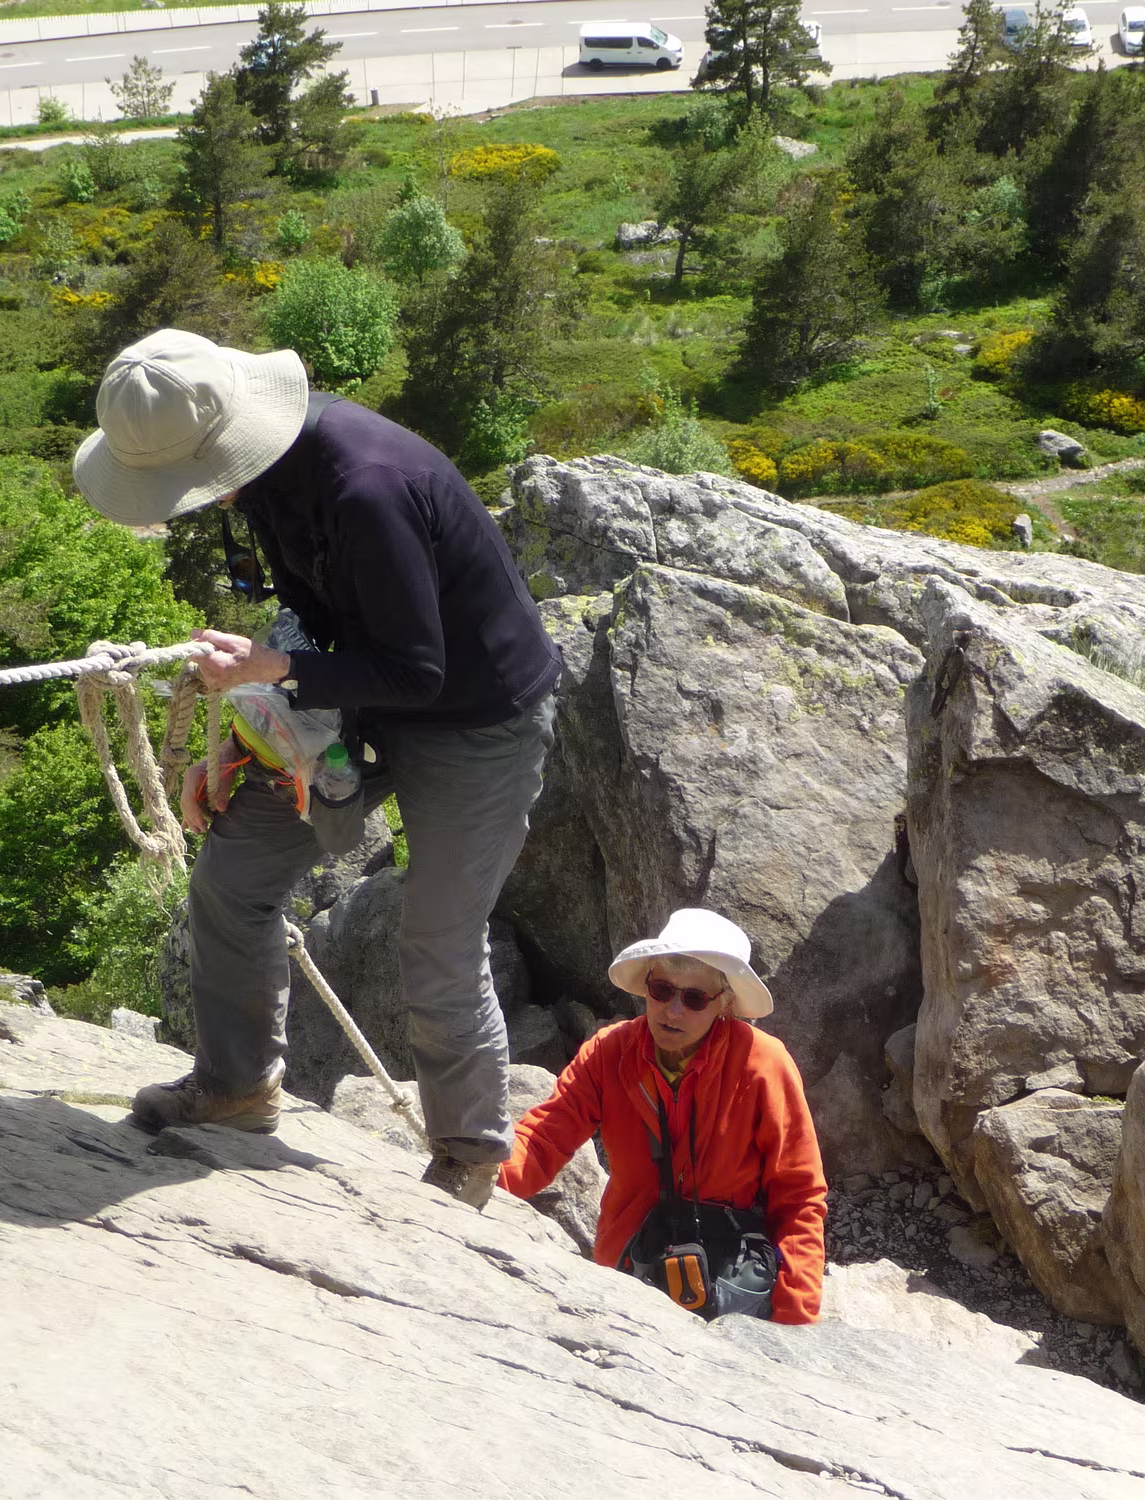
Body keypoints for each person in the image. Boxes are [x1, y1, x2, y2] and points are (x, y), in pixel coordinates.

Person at [72, 329, 560, 1209]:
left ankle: (467, 1155)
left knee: (439, 937)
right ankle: (236, 1086)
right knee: (232, 879)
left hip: (477, 720)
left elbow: (419, 671)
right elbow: (318, 614)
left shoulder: (367, 489)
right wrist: (251, 729)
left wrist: (271, 671)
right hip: (352, 697)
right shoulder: (268, 476)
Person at [500, 909, 829, 1323]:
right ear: (646, 987)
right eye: (661, 990)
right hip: (625, 1272)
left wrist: (795, 1317)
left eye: (694, 999)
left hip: (729, 1287)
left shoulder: (763, 1064)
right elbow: (542, 1142)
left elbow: (798, 1195)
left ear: (725, 1004)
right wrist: (477, 1174)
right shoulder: (609, 1052)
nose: (672, 1010)